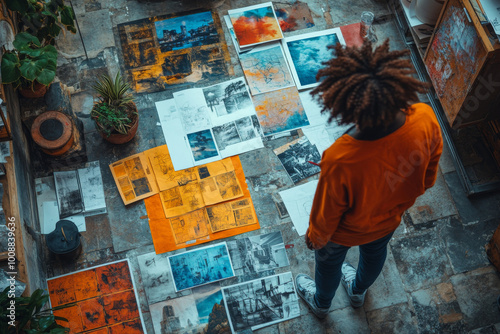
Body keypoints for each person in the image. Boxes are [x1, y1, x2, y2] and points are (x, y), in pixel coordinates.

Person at [295, 39, 443, 319]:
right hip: (388, 221)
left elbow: (325, 219)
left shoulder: (340, 158)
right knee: (375, 254)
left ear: (348, 109)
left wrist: (315, 239)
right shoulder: (424, 118)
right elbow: (428, 178)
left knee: (328, 266)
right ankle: (357, 291)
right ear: (397, 87)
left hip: (343, 233)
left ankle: (322, 303)